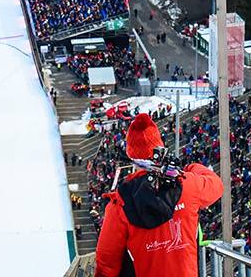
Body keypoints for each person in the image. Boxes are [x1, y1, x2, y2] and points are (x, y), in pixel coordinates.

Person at [95, 114, 223, 277]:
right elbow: (216, 185)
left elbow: (107, 261)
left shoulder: (119, 203)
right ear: (160, 149)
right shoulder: (187, 183)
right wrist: (190, 168)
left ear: (132, 156)